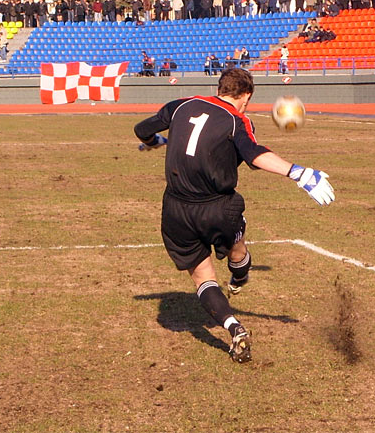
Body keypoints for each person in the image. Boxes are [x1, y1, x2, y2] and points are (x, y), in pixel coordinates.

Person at [132, 68, 335, 363]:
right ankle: (239, 275)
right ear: (247, 95)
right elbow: (253, 154)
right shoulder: (237, 119)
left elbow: (142, 130)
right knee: (237, 243)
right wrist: (298, 172)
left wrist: (155, 143)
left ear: (220, 88)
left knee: (203, 278)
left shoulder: (182, 104)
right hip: (217, 207)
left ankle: (234, 327)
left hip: (175, 209)